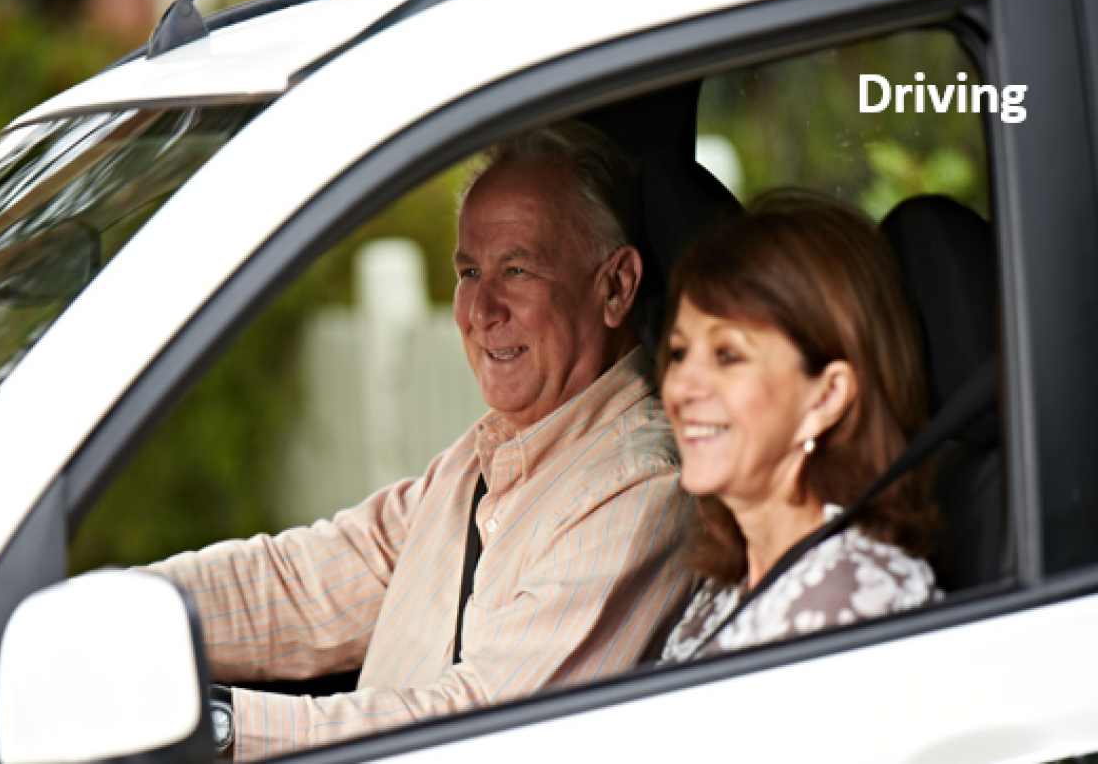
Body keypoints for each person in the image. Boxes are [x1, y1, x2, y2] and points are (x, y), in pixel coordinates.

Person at [146, 121, 698, 759]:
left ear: (616, 286)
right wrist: (116, 612)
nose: (479, 310)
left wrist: (218, 729)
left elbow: (472, 726)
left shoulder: (639, 486)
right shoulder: (483, 462)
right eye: (469, 272)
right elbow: (297, 584)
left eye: (516, 269)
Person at [656, 190, 938, 663]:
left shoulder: (849, 603)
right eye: (681, 352)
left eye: (728, 356)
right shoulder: (728, 588)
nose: (680, 387)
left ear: (826, 398)